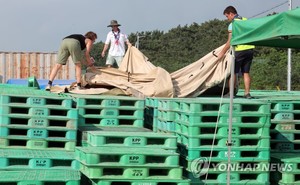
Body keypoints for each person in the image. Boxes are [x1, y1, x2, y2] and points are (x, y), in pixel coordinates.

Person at [217, 6, 255, 99]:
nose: (227, 19)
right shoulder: (246, 20)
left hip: (239, 50)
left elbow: (230, 41)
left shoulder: (232, 24)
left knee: (233, 72)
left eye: (227, 16)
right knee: (246, 72)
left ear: (231, 14)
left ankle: (231, 93)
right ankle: (247, 93)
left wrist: (221, 53)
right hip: (250, 49)